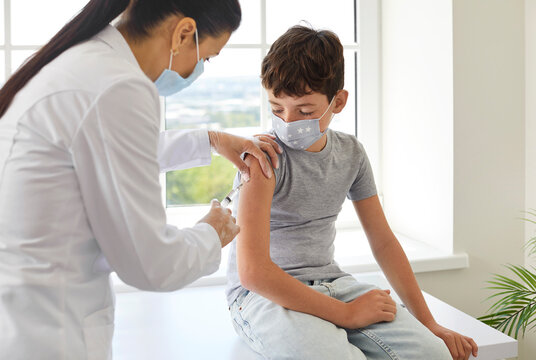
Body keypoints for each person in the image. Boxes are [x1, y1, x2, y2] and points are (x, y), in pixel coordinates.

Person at [0, 0, 281, 359]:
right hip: (48, 332)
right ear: (184, 33)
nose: (199, 69)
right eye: (206, 58)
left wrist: (210, 140)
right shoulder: (118, 86)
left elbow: (101, 151)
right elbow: (151, 264)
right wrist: (212, 232)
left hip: (23, 316)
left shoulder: (83, 62)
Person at [225, 25, 479, 360]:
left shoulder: (351, 154)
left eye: (304, 111)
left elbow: (383, 242)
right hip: (262, 296)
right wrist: (346, 315)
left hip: (333, 283)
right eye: (276, 108)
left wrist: (428, 322)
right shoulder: (262, 159)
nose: (287, 122)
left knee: (431, 354)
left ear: (338, 102)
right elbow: (253, 273)